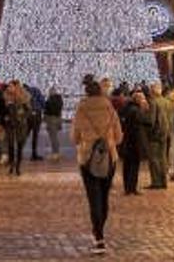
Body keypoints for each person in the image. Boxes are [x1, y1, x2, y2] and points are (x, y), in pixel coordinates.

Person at [72, 79, 122, 255]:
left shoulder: (81, 109)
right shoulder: (109, 108)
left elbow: (74, 138)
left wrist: (87, 139)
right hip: (109, 157)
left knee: (94, 198)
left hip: (87, 158)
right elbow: (119, 136)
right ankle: (100, 230)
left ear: (86, 92)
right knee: (104, 195)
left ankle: (98, 237)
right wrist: (108, 142)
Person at [117, 90, 149, 195]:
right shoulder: (136, 110)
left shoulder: (127, 108)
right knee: (134, 166)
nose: (144, 100)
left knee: (127, 166)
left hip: (127, 141)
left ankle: (127, 188)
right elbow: (145, 122)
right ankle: (132, 188)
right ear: (138, 100)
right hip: (135, 142)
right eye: (142, 98)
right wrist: (145, 110)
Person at [145, 84, 174, 189]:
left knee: (154, 158)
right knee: (163, 157)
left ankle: (156, 182)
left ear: (152, 91)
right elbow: (171, 119)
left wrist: (148, 132)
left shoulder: (153, 102)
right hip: (165, 133)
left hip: (155, 134)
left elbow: (151, 120)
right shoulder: (167, 102)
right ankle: (164, 181)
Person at [3, 81, 32, 176]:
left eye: (11, 86)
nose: (9, 88)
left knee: (19, 146)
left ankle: (18, 167)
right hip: (10, 125)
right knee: (10, 146)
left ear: (16, 87)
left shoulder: (24, 97)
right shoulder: (5, 97)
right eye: (9, 86)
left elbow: (28, 111)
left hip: (21, 125)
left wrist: (22, 116)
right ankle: (11, 166)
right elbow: (2, 110)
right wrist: (5, 117)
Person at [43, 87, 65, 161]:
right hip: (57, 119)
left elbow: (48, 109)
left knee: (53, 138)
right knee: (54, 137)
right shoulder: (59, 100)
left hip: (51, 120)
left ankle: (55, 153)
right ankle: (56, 152)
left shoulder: (51, 100)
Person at [26, 84, 45, 161]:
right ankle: (34, 154)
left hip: (28, 115)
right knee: (35, 135)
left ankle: (17, 153)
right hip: (37, 114)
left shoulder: (24, 93)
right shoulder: (36, 91)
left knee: (24, 134)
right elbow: (42, 102)